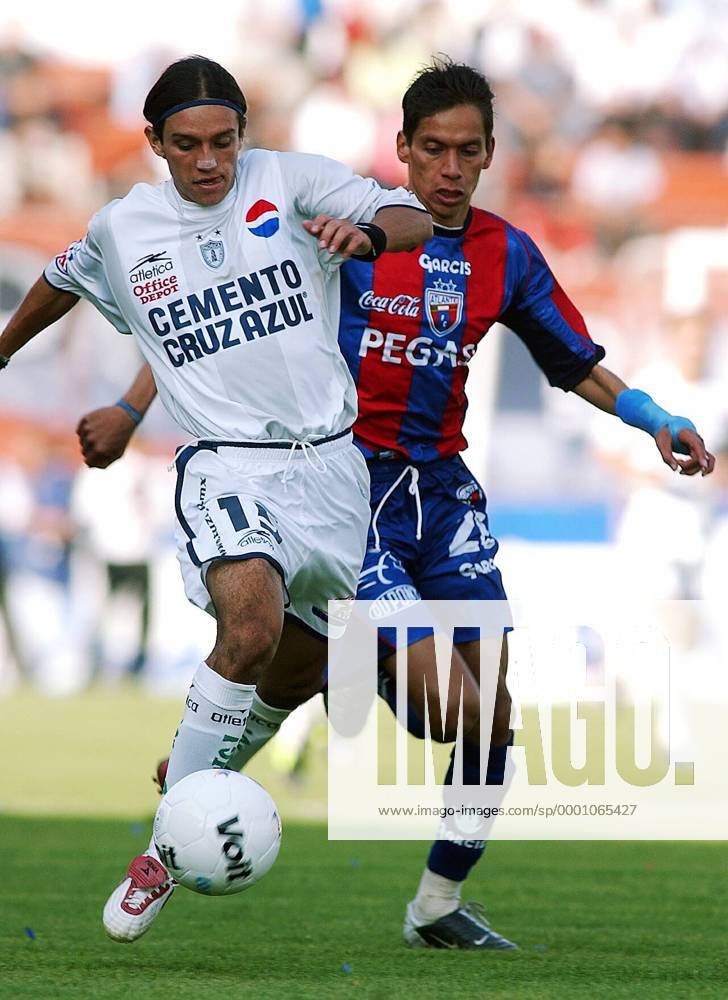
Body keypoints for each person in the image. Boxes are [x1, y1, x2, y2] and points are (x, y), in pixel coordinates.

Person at [75, 60, 715, 951]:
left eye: (468, 152)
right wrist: (135, 407)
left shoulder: (505, 254)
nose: (450, 170)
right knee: (431, 703)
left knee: (490, 719)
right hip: (344, 492)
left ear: (490, 154)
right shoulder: (339, 229)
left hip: (444, 498)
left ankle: (435, 905)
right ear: (403, 152)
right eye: (433, 151)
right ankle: (332, 678)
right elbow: (209, 320)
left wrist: (656, 418)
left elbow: (573, 362)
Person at [0, 55, 432, 943]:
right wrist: (3, 352)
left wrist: (372, 238)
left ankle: (205, 767)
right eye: (187, 145)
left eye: (224, 142)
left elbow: (412, 213)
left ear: (244, 133)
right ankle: (165, 852)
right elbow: (62, 279)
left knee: (305, 666)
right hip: (227, 466)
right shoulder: (126, 230)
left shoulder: (290, 179)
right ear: (154, 142)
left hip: (333, 469)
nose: (208, 162)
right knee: (250, 626)